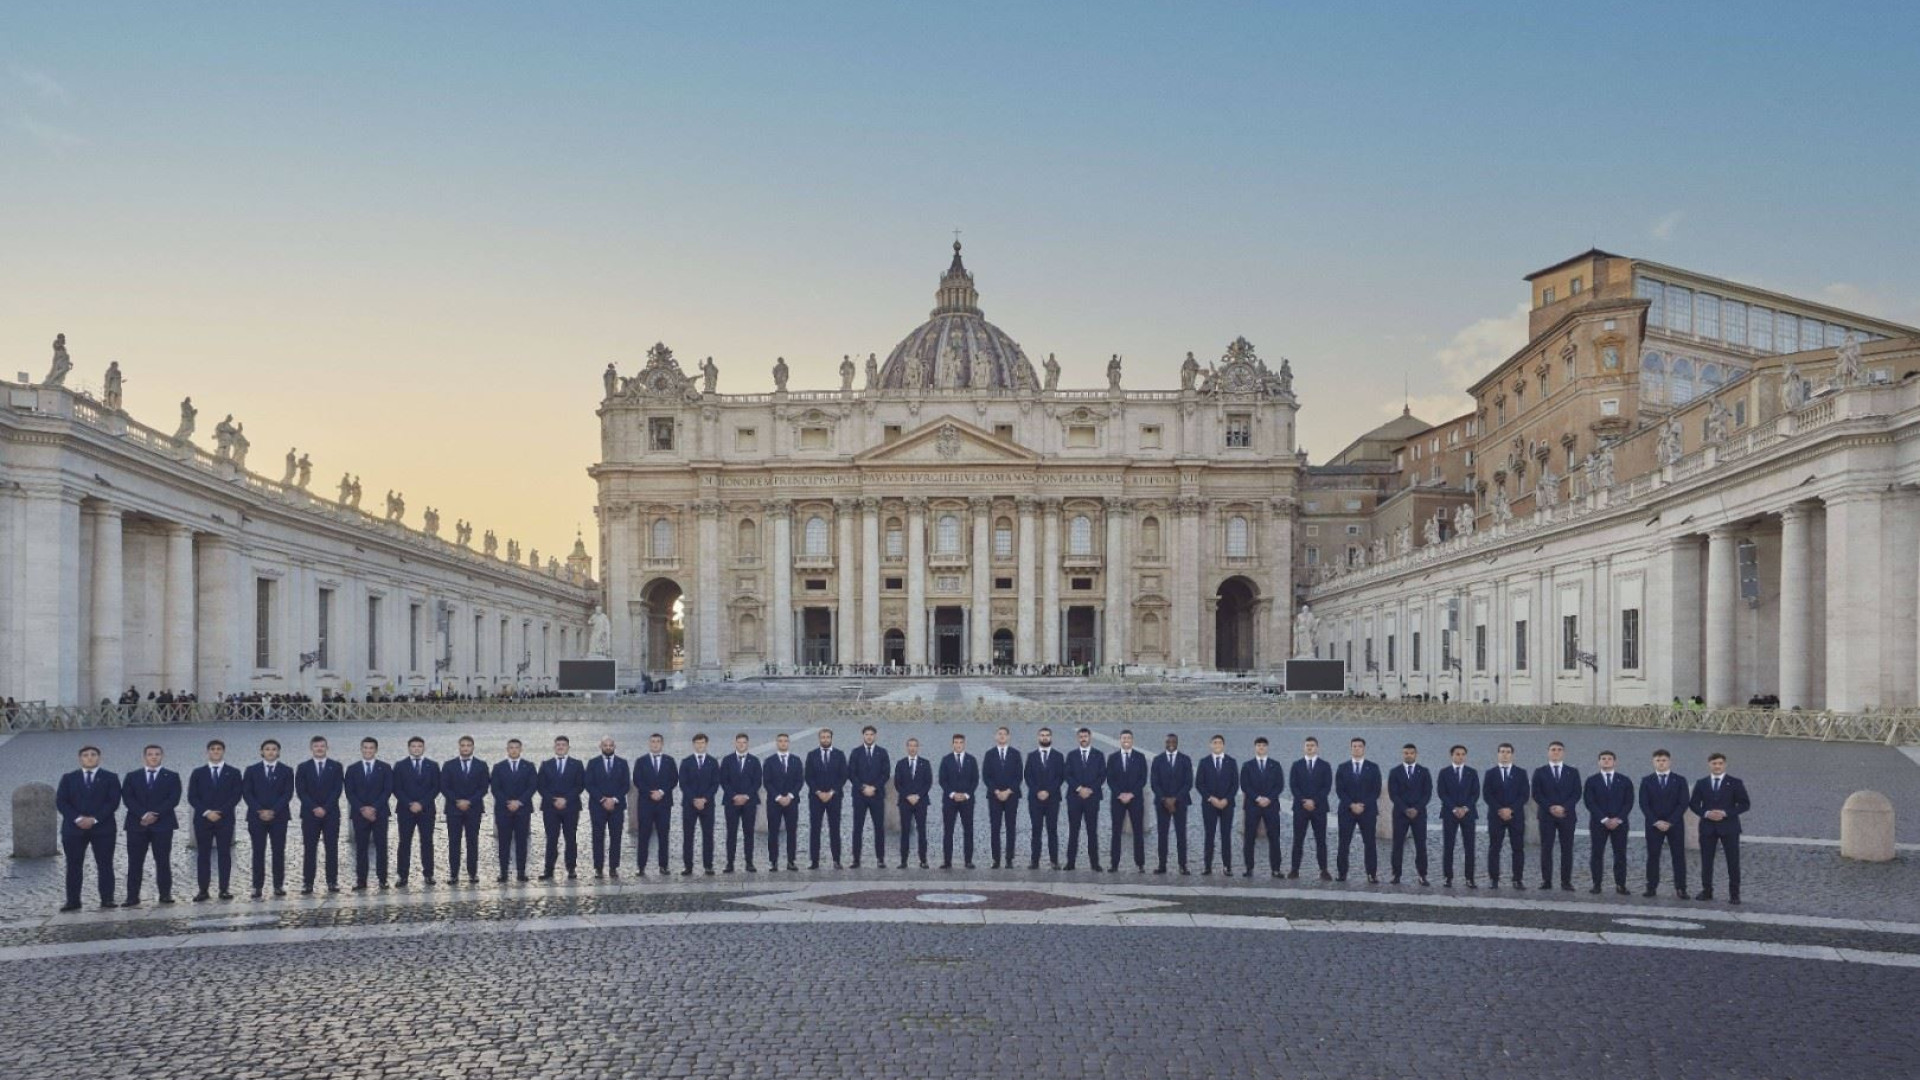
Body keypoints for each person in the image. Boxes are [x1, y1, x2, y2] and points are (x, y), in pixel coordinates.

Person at [57, 746, 121, 911]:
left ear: (99, 758)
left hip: (103, 828)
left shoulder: (110, 777)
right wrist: (78, 818)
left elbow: (113, 802)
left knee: (105, 864)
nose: (90, 758)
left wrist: (94, 819)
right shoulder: (68, 778)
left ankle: (107, 899)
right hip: (74, 828)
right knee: (73, 865)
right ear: (80, 759)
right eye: (86, 755)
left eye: (93, 755)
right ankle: (73, 901)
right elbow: (62, 802)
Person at [122, 744, 180, 907]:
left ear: (162, 756)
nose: (153, 757)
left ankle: (165, 894)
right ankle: (132, 896)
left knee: (163, 861)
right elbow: (128, 798)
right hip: (136, 824)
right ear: (144, 757)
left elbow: (173, 799)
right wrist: (143, 814)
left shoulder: (172, 776)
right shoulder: (132, 776)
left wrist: (155, 814)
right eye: (150, 754)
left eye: (157, 754)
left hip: (163, 824)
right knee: (135, 862)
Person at [188, 738, 244, 902]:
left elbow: (236, 795)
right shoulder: (198, 773)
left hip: (224, 819)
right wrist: (206, 812)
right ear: (208, 752)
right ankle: (203, 890)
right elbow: (192, 796)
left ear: (223, 751)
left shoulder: (233, 772)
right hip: (203, 820)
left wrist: (220, 811)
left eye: (219, 749)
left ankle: (224, 889)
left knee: (225, 854)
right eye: (212, 749)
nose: (216, 751)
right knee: (203, 855)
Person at [1691, 752, 1749, 904]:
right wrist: (1706, 813)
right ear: (1709, 765)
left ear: (1725, 765)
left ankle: (1734, 894)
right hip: (1708, 827)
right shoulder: (1701, 783)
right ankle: (1707, 890)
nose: (1717, 766)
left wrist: (1726, 813)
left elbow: (1744, 804)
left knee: (1733, 861)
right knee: (1706, 861)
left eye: (1720, 763)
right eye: (1714, 763)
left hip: (1729, 827)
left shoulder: (1735, 783)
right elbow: (1694, 804)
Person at [241, 739, 293, 898]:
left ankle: (278, 885)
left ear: (278, 752)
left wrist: (273, 811)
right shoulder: (251, 770)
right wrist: (259, 810)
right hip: (256, 818)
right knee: (258, 852)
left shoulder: (286, 770)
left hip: (279, 817)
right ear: (261, 752)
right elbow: (247, 793)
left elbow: (287, 793)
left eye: (274, 749)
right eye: (267, 749)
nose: (271, 752)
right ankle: (257, 886)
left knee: (278, 851)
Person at [296, 736, 345, 894]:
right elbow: (301, 791)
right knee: (310, 848)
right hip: (310, 814)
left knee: (332, 848)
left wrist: (325, 807)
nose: (319, 748)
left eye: (322, 746)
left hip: (331, 814)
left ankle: (332, 881)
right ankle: (307, 882)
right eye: (316, 746)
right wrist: (315, 808)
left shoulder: (336, 766)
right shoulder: (303, 767)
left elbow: (337, 790)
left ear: (327, 747)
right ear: (311, 747)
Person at [1639, 749, 1689, 899]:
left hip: (1675, 825)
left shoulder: (1680, 780)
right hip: (1654, 825)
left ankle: (1681, 888)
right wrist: (1655, 821)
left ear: (1669, 762)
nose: (1661, 763)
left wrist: (1670, 821)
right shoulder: (1646, 780)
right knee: (1653, 856)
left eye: (1664, 760)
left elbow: (1683, 803)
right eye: (1658, 760)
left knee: (1678, 856)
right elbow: (1644, 804)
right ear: (1653, 762)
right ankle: (1651, 887)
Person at [344, 737, 393, 890]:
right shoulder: (352, 769)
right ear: (361, 749)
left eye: (371, 748)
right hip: (360, 814)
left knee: (381, 847)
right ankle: (361, 880)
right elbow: (349, 792)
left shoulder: (385, 768)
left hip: (380, 813)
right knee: (361, 848)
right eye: (365, 748)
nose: (368, 750)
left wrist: (374, 808)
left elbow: (387, 790)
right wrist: (362, 809)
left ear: (375, 750)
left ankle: (382, 879)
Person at [1583, 751, 1634, 895]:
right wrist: (1604, 819)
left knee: (1620, 854)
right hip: (1599, 823)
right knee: (1597, 854)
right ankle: (1597, 884)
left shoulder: (1625, 780)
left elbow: (1628, 803)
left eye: (1609, 759)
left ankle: (1620, 884)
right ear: (1599, 762)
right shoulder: (1591, 781)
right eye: (1603, 759)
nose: (1606, 761)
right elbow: (1589, 802)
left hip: (1620, 824)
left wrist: (1618, 819)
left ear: (1615, 762)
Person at [1533, 741, 1581, 891]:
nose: (1556, 752)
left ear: (1564, 753)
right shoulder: (1539, 771)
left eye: (1559, 749)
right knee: (1546, 848)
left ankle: (1566, 882)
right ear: (1548, 752)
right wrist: (1550, 807)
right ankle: (1546, 881)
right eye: (1553, 749)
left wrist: (1564, 807)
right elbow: (1536, 793)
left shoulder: (1572, 772)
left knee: (1567, 849)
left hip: (1567, 815)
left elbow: (1577, 793)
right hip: (1547, 816)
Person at [441, 735, 489, 886]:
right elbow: (444, 787)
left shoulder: (481, 765)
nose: (465, 748)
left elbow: (484, 788)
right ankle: (454, 874)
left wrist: (469, 801)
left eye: (468, 745)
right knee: (454, 842)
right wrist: (458, 801)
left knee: (472, 841)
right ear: (459, 747)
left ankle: (473, 873)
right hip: (453, 809)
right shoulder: (449, 765)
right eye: (463, 745)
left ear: (473, 747)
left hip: (473, 809)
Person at [394, 736, 440, 888]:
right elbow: (396, 788)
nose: (416, 749)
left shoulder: (432, 766)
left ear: (423, 748)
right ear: (409, 748)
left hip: (426, 810)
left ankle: (429, 874)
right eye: (413, 746)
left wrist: (421, 803)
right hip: (405, 810)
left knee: (427, 842)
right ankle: (403, 876)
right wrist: (409, 803)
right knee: (404, 843)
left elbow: (436, 787)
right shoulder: (400, 766)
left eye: (419, 746)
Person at [1482, 742, 1529, 889]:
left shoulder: (1521, 773)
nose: (1505, 754)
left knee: (1518, 849)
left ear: (1512, 754)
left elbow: (1524, 795)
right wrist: (1500, 810)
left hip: (1516, 817)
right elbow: (1487, 795)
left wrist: (1511, 810)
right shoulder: (1490, 773)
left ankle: (1517, 879)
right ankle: (1494, 879)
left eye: (1508, 752)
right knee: (1494, 848)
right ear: (1498, 754)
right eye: (1502, 751)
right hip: (1496, 816)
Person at [537, 736, 584, 880]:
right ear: (554, 747)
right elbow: (541, 786)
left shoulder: (577, 764)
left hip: (571, 807)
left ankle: (571, 868)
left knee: (570, 838)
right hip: (550, 807)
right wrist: (553, 799)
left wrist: (566, 799)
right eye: (558, 745)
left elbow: (580, 785)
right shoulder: (545, 765)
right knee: (551, 838)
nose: (560, 747)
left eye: (563, 745)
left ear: (568, 747)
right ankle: (548, 869)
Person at [1336, 737, 1382, 883]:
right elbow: (1339, 790)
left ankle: (1371, 874)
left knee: (1370, 843)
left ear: (1364, 748)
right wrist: (1351, 805)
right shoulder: (1342, 768)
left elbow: (1376, 790)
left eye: (1359, 746)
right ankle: (1342, 873)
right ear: (1351, 748)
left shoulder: (1373, 767)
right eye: (1354, 746)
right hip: (1346, 811)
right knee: (1344, 843)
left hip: (1367, 811)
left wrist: (1362, 805)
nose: (1356, 748)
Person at [490, 739, 536, 883]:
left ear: (521, 749)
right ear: (507, 750)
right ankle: (503, 872)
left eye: (516, 747)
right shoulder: (498, 767)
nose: (514, 750)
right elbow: (495, 789)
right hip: (504, 810)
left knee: (522, 842)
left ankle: (521, 872)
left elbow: (532, 786)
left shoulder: (529, 766)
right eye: (511, 748)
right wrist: (508, 802)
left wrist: (519, 802)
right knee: (503, 842)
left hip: (523, 810)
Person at [585, 735, 630, 879]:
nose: (608, 747)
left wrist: (614, 799)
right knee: (598, 837)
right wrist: (603, 799)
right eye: (605, 745)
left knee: (616, 837)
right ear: (601, 746)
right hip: (598, 806)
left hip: (617, 806)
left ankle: (613, 867)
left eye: (611, 745)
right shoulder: (593, 763)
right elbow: (589, 784)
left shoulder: (622, 763)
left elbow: (626, 785)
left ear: (614, 747)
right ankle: (598, 868)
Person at [1288, 737, 1333, 879]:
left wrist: (1314, 801)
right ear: (1304, 747)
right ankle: (1294, 869)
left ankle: (1323, 870)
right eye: (1307, 745)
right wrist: (1304, 801)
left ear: (1317, 748)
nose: (1310, 747)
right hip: (1300, 808)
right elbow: (1293, 786)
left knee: (1321, 840)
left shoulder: (1325, 765)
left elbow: (1327, 787)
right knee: (1298, 840)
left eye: (1312, 745)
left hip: (1319, 808)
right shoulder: (1296, 765)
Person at [1387, 743, 1432, 886]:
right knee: (1397, 845)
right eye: (1406, 753)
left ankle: (1422, 875)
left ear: (1416, 754)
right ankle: (1396, 874)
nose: (1408, 755)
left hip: (1419, 814)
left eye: (1411, 753)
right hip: (1400, 814)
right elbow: (1393, 794)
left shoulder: (1424, 772)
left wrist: (1416, 808)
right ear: (1402, 754)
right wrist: (1405, 809)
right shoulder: (1395, 772)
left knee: (1421, 845)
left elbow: (1427, 793)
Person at [634, 733, 678, 876]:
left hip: (664, 804)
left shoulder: (670, 761)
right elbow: (637, 780)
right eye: (652, 741)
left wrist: (661, 792)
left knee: (663, 835)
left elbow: (673, 780)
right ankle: (641, 866)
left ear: (662, 743)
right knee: (643, 835)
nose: (655, 744)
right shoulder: (640, 761)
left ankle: (663, 866)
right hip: (646, 803)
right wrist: (650, 793)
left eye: (658, 741)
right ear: (649, 743)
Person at [1239, 737, 1283, 878]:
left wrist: (1268, 798)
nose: (1261, 748)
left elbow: (1279, 785)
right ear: (1255, 747)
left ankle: (1276, 869)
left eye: (1264, 745)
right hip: (1252, 805)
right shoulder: (1247, 765)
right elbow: (1245, 785)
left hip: (1271, 806)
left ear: (1267, 747)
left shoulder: (1275, 765)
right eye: (1259, 745)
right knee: (1249, 838)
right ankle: (1249, 868)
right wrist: (1258, 798)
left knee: (1274, 837)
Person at [1437, 745, 1479, 888]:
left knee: (1470, 847)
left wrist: (1465, 808)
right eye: (1457, 754)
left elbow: (1475, 793)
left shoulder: (1472, 773)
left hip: (1468, 814)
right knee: (1449, 846)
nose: (1460, 757)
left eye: (1462, 754)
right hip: (1450, 813)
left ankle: (1470, 878)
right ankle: (1448, 877)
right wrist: (1454, 808)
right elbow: (1442, 793)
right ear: (1451, 755)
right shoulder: (1444, 773)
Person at [1063, 727, 1106, 871]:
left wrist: (1090, 789)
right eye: (1081, 736)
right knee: (1073, 831)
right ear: (1077, 738)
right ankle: (1070, 863)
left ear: (1090, 737)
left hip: (1092, 798)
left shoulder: (1098, 755)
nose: (1083, 738)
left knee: (1092, 831)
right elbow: (1067, 775)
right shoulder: (1071, 755)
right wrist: (1080, 789)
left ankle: (1094, 863)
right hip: (1074, 798)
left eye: (1085, 736)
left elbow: (1102, 776)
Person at [1151, 734, 1194, 874]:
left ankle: (1183, 865)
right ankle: (1162, 865)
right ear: (1164, 743)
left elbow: (1188, 783)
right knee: (1162, 835)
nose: (1170, 743)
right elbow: (1154, 783)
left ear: (1177, 742)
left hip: (1180, 802)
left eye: (1173, 741)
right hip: (1162, 803)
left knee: (1181, 835)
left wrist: (1175, 799)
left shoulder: (1185, 760)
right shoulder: (1157, 760)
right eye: (1168, 741)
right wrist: (1164, 799)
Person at [1106, 730, 1148, 872]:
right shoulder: (1112, 758)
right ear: (1120, 740)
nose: (1126, 740)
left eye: (1129, 737)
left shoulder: (1140, 757)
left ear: (1132, 740)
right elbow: (1110, 779)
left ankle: (1140, 863)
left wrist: (1131, 794)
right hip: (1117, 799)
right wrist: (1120, 794)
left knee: (1138, 832)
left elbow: (1142, 779)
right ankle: (1114, 863)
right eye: (1124, 737)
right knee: (1116, 832)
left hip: (1135, 799)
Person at [1194, 734, 1237, 875]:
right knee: (1209, 835)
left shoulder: (1231, 762)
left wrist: (1226, 799)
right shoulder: (1204, 762)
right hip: (1209, 805)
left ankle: (1227, 866)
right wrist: (1211, 798)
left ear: (1223, 745)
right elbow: (1199, 783)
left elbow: (1235, 784)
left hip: (1227, 805)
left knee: (1226, 835)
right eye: (1214, 742)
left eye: (1219, 742)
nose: (1217, 744)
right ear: (1210, 745)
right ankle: (1207, 866)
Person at [848, 725, 890, 869]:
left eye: (872, 734)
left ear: (875, 736)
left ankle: (880, 859)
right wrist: (863, 787)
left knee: (879, 828)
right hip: (860, 796)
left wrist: (874, 787)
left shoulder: (882, 753)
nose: (869, 736)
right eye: (867, 734)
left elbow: (886, 774)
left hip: (877, 796)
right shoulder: (855, 752)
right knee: (857, 828)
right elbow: (851, 774)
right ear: (863, 736)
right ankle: (856, 859)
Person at [719, 733, 762, 873]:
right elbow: (724, 781)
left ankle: (749, 862)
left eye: (744, 742)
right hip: (731, 802)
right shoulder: (727, 760)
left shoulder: (755, 761)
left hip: (749, 802)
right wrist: (734, 796)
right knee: (731, 833)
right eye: (739, 742)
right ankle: (730, 863)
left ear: (747, 744)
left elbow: (757, 782)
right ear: (735, 743)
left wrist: (746, 796)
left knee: (748, 833)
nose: (742, 744)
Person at [806, 729, 848, 869]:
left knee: (834, 829)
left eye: (827, 737)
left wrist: (831, 792)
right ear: (819, 739)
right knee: (815, 829)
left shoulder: (839, 755)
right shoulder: (811, 755)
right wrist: (818, 792)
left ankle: (836, 860)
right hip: (816, 798)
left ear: (831, 738)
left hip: (834, 797)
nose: (825, 739)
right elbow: (808, 776)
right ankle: (814, 861)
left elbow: (843, 776)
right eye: (822, 737)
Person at [1024, 727, 1066, 869]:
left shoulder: (1058, 756)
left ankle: (1054, 861)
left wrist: (1048, 791)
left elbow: (1060, 777)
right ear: (1038, 737)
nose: (1045, 737)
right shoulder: (1031, 756)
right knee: (1036, 829)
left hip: (1053, 798)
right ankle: (1034, 861)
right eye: (1042, 735)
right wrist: (1038, 791)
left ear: (1051, 737)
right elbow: (1027, 776)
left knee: (1052, 829)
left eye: (1047, 735)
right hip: (1035, 799)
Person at [982, 726, 1022, 869]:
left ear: (1009, 737)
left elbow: (1019, 776)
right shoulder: (989, 754)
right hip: (994, 796)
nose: (1002, 736)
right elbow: (986, 776)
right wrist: (997, 791)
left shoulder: (1016, 754)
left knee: (1011, 827)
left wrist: (1008, 791)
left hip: (1012, 796)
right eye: (999, 734)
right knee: (995, 828)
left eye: (1005, 734)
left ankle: (1009, 858)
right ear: (995, 736)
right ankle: (996, 859)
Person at [680, 734, 720, 875]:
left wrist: (704, 799)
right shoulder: (686, 762)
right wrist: (694, 799)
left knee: (708, 835)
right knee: (688, 836)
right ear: (693, 744)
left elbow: (715, 784)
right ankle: (688, 866)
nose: (700, 745)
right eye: (697, 743)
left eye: (702, 743)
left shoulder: (713, 762)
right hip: (689, 805)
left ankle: (708, 865)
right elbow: (683, 784)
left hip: (707, 805)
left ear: (706, 744)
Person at [938, 734, 980, 869]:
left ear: (964, 744)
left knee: (968, 830)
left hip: (967, 801)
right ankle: (947, 861)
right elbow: (942, 780)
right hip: (950, 801)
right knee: (948, 831)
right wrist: (953, 794)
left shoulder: (971, 760)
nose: (958, 745)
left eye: (961, 742)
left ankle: (968, 860)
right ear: (952, 744)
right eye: (956, 742)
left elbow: (975, 780)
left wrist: (966, 794)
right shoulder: (946, 760)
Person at [762, 734, 802, 871]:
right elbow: (767, 782)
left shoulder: (796, 760)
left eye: (785, 741)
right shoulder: (769, 761)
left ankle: (791, 861)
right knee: (773, 832)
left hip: (792, 802)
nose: (783, 743)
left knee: (792, 831)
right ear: (776, 743)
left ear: (789, 743)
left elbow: (799, 781)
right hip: (774, 802)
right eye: (780, 741)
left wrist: (790, 796)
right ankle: (773, 861)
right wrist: (779, 797)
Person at [893, 738, 932, 868]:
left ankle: (923, 860)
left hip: (921, 802)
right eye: (910, 746)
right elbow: (897, 783)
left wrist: (918, 796)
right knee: (905, 831)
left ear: (918, 747)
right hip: (905, 802)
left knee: (922, 831)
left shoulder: (925, 763)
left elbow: (928, 783)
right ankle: (904, 861)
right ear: (906, 747)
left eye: (915, 746)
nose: (912, 748)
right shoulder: (900, 764)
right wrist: (908, 796)